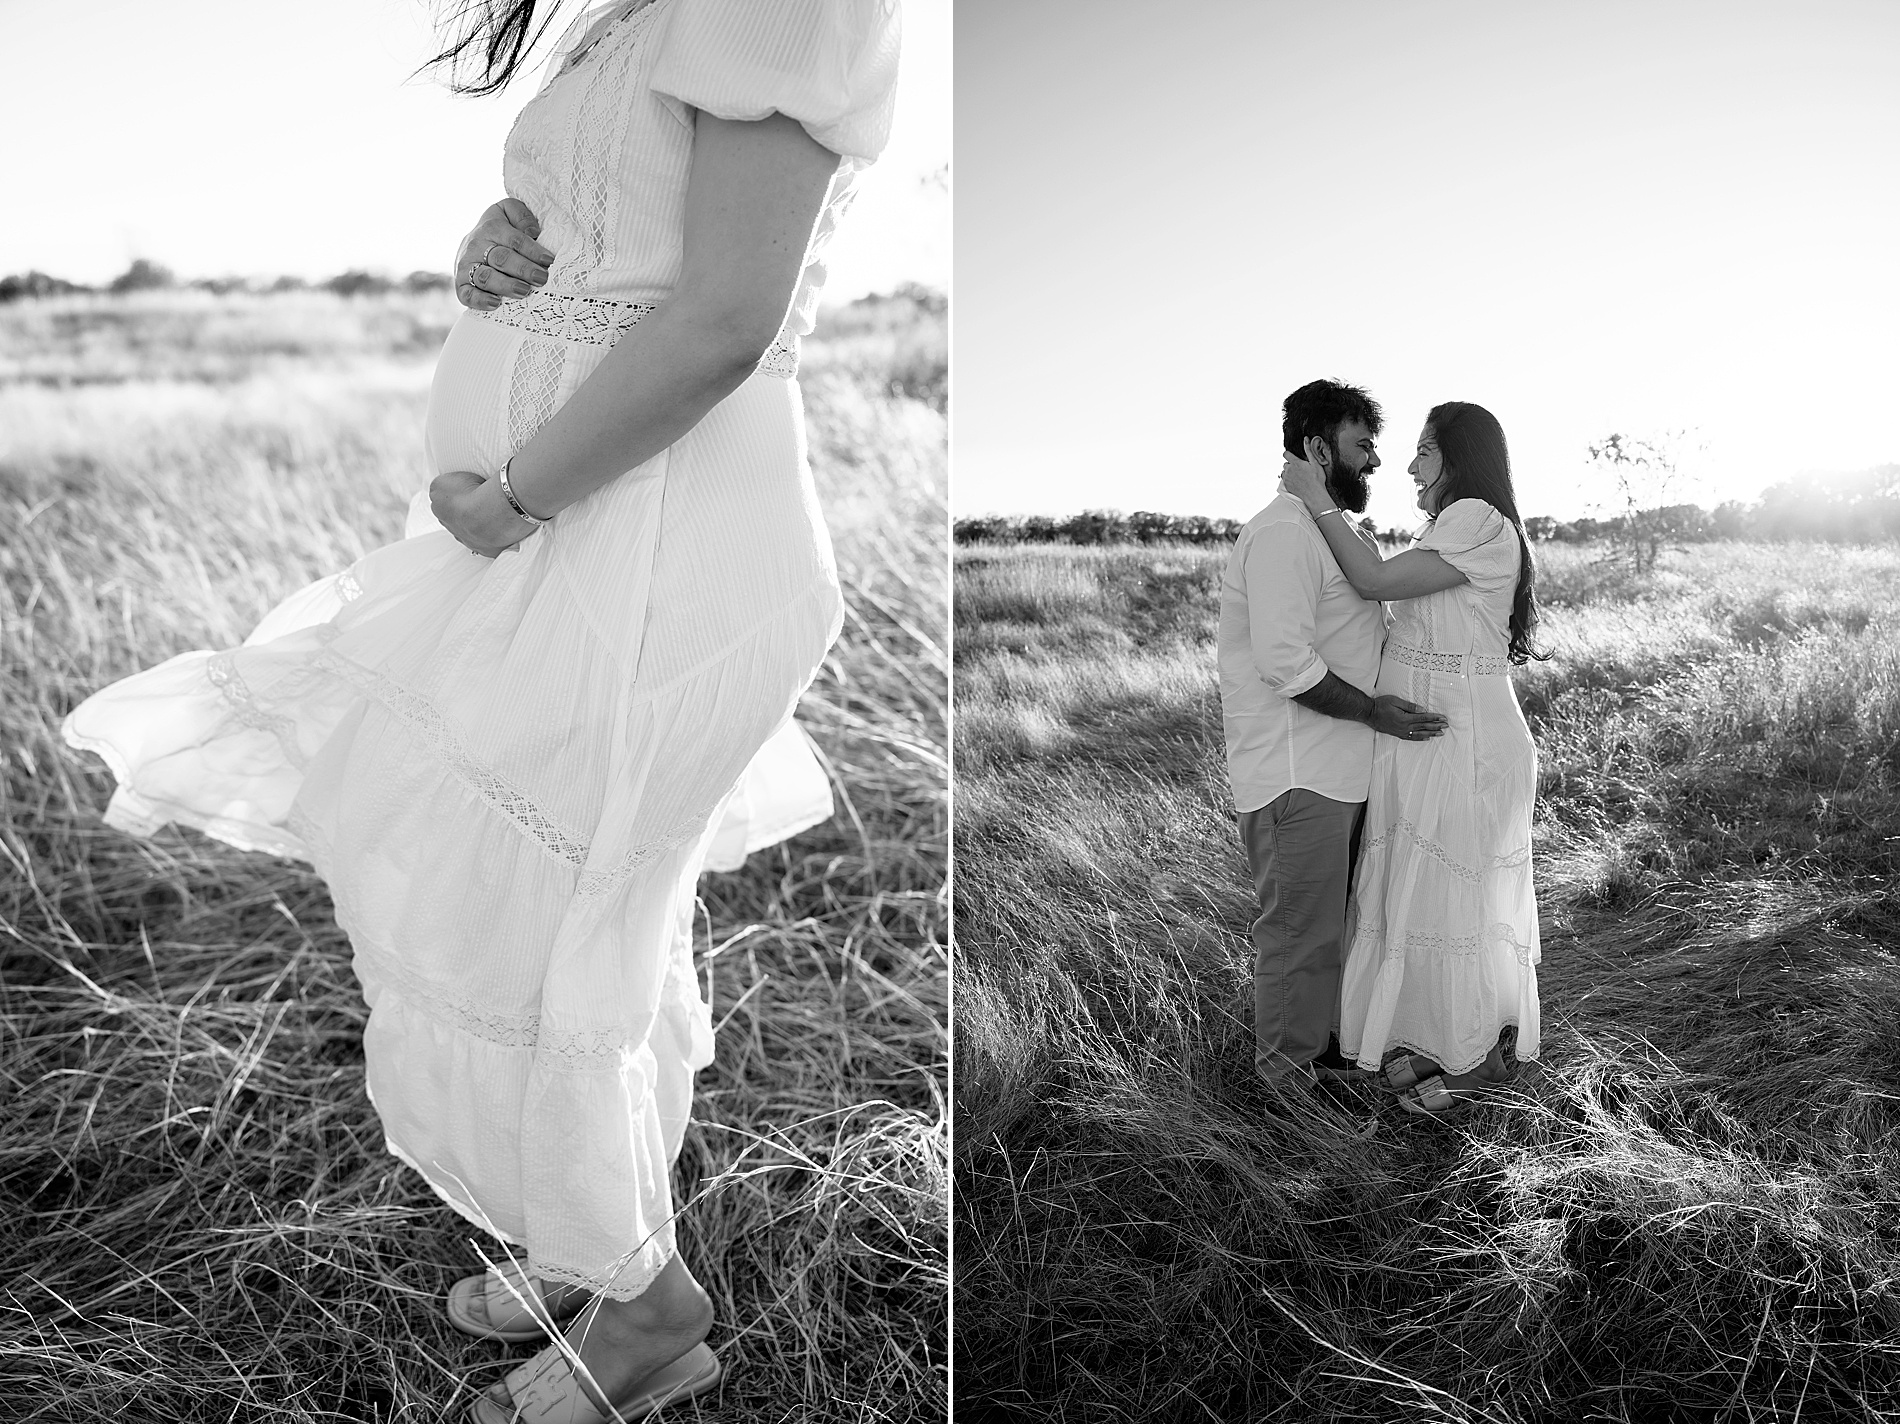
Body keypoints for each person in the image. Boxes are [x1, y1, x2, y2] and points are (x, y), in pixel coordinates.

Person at [59, 1, 902, 1419]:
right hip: (577, 531)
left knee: (553, 928)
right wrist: (503, 251)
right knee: (539, 915)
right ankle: (592, 1244)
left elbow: (722, 320)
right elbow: (628, 232)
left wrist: (513, 498)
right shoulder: (635, 11)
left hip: (651, 540)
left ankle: (650, 1315)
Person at [1281, 401, 1543, 1116]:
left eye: (1424, 450)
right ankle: (1442, 1044)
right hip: (1430, 743)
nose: (1409, 464)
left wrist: (1315, 497)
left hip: (1462, 745)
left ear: (1460, 455)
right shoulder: (1451, 526)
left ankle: (1473, 1065)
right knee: (1424, 899)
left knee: (1455, 904)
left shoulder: (1477, 519)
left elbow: (1373, 581)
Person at [1216, 380, 1447, 1114]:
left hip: (1340, 770)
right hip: (1298, 773)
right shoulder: (1285, 532)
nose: (1374, 461)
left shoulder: (1331, 531)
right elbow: (1285, 664)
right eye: (1361, 446)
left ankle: (1316, 1065)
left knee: (1333, 934)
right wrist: (1374, 712)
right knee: (1298, 938)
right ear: (1318, 450)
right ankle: (1288, 1096)